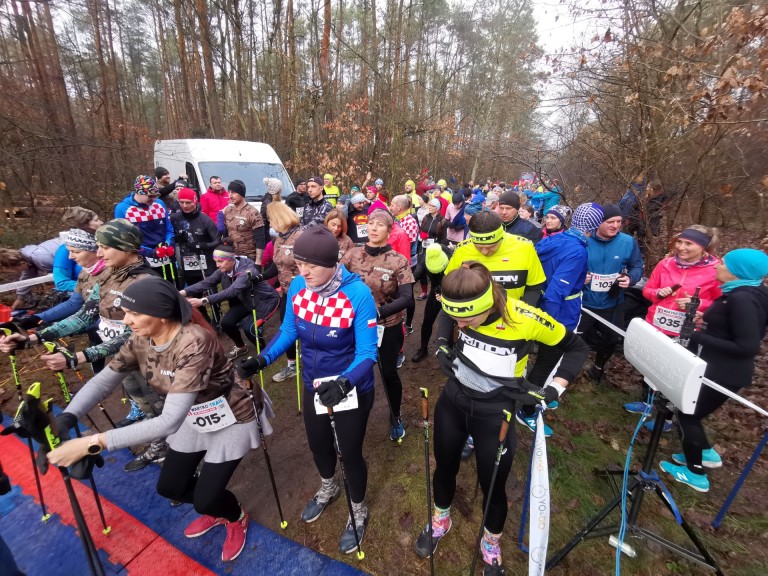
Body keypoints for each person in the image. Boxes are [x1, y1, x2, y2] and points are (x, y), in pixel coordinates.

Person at [47, 276, 273, 562]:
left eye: (135, 313)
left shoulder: (194, 342)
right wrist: (70, 414)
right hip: (191, 414)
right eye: (126, 312)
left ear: (163, 315)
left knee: (205, 500)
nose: (126, 320)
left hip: (231, 414)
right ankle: (215, 508)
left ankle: (233, 516)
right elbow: (104, 381)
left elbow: (168, 422)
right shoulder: (141, 339)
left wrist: (93, 443)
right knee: (171, 487)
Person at [415, 262, 588, 573]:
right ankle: (441, 517)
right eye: (458, 317)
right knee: (444, 466)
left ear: (486, 303)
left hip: (496, 413)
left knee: (492, 483)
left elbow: (575, 347)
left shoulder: (524, 317)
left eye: (467, 317)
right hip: (454, 401)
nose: (461, 324)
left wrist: (553, 389)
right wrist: (442, 345)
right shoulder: (459, 310)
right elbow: (444, 312)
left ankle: (491, 540)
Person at [235, 226, 378, 554]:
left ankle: (358, 510)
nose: (304, 271)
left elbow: (368, 352)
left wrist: (344, 384)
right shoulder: (299, 286)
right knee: (319, 445)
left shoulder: (358, 294)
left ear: (334, 262)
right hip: (314, 383)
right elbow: (288, 330)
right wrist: (261, 360)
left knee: (350, 452)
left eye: (312, 265)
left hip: (349, 387)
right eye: (300, 263)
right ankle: (329, 488)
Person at [0, 219, 166, 470]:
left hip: (150, 358)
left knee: (163, 405)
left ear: (125, 248)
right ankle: (160, 443)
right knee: (140, 399)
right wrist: (31, 338)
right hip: (120, 356)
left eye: (103, 247)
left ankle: (185, 453)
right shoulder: (106, 277)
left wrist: (79, 357)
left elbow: (136, 337)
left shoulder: (144, 282)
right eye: (96, 246)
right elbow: (85, 315)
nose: (98, 253)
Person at [659, 249, 768, 492]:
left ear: (737, 272)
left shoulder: (742, 299)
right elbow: (737, 327)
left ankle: (695, 473)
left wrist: (701, 338)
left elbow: (747, 345)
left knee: (687, 414)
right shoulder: (748, 292)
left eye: (724, 263)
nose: (718, 265)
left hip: (723, 372)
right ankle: (705, 453)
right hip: (717, 367)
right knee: (692, 413)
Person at [516, 203, 598, 437]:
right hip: (559, 312)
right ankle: (527, 410)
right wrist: (548, 325)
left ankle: (522, 393)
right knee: (545, 363)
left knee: (527, 357)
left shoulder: (554, 239)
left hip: (536, 305)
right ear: (593, 227)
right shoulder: (577, 250)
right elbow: (556, 291)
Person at [623, 225, 722, 417]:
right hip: (656, 324)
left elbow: (721, 304)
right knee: (651, 364)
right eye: (679, 242)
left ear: (703, 247)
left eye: (688, 244)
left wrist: (698, 303)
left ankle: (666, 415)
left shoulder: (715, 270)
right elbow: (647, 291)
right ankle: (647, 402)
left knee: (675, 373)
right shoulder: (666, 264)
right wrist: (657, 293)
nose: (681, 247)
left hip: (687, 331)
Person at [341, 209, 414, 441]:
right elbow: (336, 283)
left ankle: (395, 415)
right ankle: (350, 414)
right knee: (353, 370)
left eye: (379, 225)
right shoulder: (352, 255)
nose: (373, 228)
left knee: (389, 373)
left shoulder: (398, 260)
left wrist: (379, 311)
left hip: (387, 326)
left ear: (389, 230)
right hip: (353, 326)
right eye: (370, 223)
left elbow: (406, 297)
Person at [579, 204, 644, 384]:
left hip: (613, 302)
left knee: (611, 338)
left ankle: (598, 369)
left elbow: (637, 265)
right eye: (610, 222)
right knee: (574, 337)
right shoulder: (584, 240)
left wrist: (631, 278)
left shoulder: (628, 242)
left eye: (619, 222)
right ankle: (567, 370)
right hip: (584, 302)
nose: (615, 225)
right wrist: (579, 277)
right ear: (598, 223)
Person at [182, 245, 279, 359]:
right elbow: (207, 282)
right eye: (216, 261)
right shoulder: (224, 269)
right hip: (247, 301)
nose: (217, 265)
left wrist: (204, 300)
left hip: (265, 302)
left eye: (220, 261)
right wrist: (183, 292)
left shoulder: (247, 272)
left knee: (250, 328)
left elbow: (231, 291)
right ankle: (241, 347)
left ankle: (264, 355)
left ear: (231, 260)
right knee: (226, 323)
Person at [261, 202, 304, 381]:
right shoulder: (279, 238)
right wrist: (258, 277)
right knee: (286, 327)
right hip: (286, 292)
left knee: (306, 328)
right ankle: (291, 365)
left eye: (271, 220)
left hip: (304, 293)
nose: (270, 224)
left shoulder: (301, 237)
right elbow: (276, 266)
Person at [115, 175, 175, 266]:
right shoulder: (122, 208)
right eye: (150, 196)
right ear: (139, 193)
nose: (154, 199)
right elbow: (125, 239)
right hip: (141, 257)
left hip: (164, 254)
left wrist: (170, 245)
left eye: (156, 195)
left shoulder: (159, 204)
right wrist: (150, 252)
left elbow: (169, 229)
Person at [411, 242, 453, 363]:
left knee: (452, 321)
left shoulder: (452, 257)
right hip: (436, 291)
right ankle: (423, 349)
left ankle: (451, 349)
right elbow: (415, 276)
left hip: (452, 292)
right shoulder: (424, 259)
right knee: (427, 320)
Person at [170, 187, 219, 287]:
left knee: (210, 292)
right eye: (181, 202)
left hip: (205, 261)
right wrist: (176, 239)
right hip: (184, 263)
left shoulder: (205, 220)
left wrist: (202, 246)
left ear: (195, 201)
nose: (185, 206)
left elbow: (217, 241)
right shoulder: (174, 218)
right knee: (191, 294)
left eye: (188, 202)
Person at [3, 235, 64, 311]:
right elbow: (26, 279)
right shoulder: (29, 260)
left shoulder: (42, 259)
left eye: (15, 269)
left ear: (21, 263)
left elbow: (64, 272)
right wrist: (20, 298)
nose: (17, 272)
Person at [218, 179, 266, 266]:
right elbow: (225, 233)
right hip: (231, 258)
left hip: (248, 258)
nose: (230, 195)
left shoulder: (252, 212)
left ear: (241, 194)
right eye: (229, 192)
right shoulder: (228, 210)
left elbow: (260, 239)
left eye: (233, 192)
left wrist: (258, 262)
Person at [414, 199, 447, 299]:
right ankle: (424, 292)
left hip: (435, 249)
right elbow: (421, 229)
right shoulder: (426, 217)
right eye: (429, 205)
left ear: (437, 208)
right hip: (423, 248)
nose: (429, 207)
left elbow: (443, 237)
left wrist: (440, 247)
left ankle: (436, 291)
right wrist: (421, 236)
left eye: (432, 206)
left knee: (432, 272)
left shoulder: (442, 220)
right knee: (420, 270)